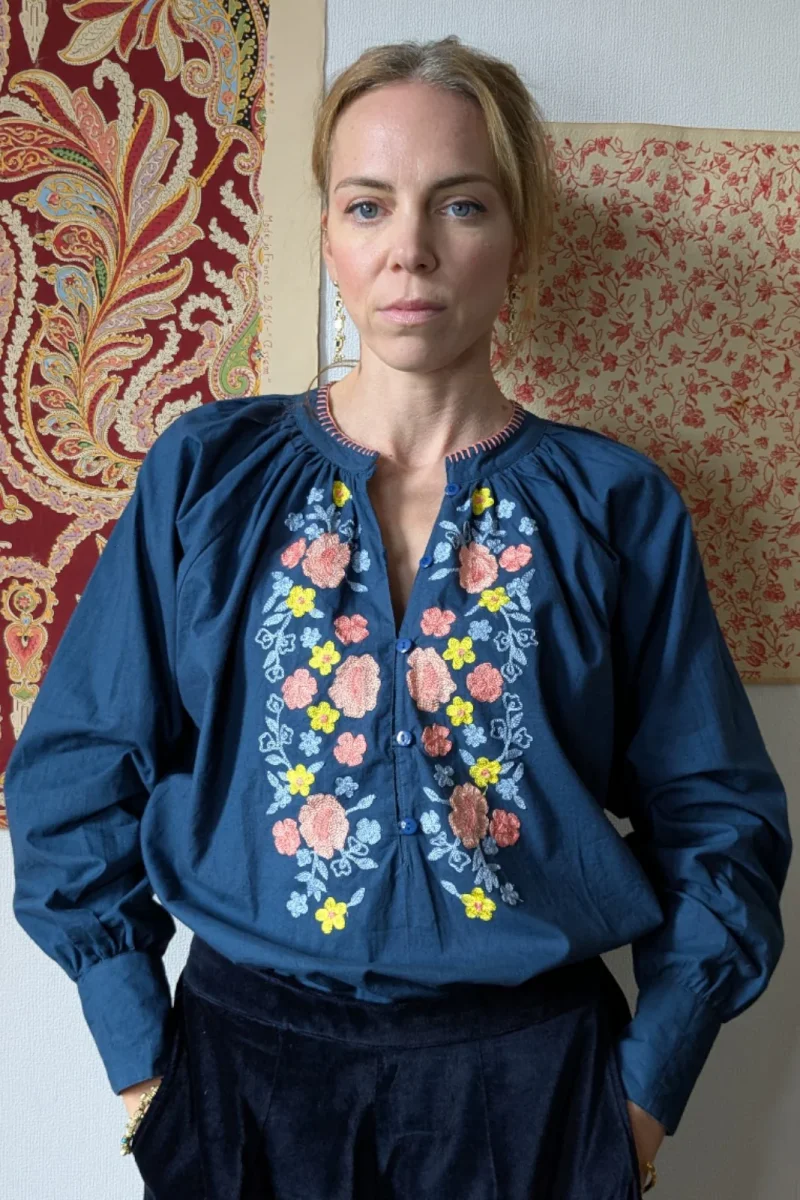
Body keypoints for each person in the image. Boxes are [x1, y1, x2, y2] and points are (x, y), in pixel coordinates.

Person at [4, 34, 792, 1200]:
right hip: (241, 1081)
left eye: (459, 204)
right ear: (327, 233)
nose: (409, 249)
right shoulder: (207, 479)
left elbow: (717, 818)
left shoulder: (611, 507)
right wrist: (142, 1071)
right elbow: (74, 775)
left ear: (516, 237)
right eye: (367, 205)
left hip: (535, 1089)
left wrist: (638, 1102)